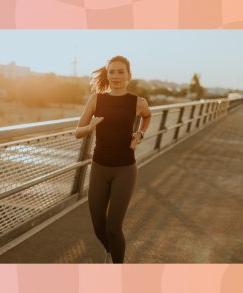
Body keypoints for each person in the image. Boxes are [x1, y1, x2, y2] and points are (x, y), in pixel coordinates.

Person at [75, 55, 151, 263]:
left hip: (125, 170)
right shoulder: (96, 99)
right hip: (99, 168)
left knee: (113, 227)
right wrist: (90, 127)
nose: (115, 76)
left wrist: (140, 134)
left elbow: (147, 116)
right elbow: (77, 132)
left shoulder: (138, 102)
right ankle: (112, 251)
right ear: (107, 74)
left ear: (129, 75)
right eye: (112, 72)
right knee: (98, 227)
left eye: (120, 72)